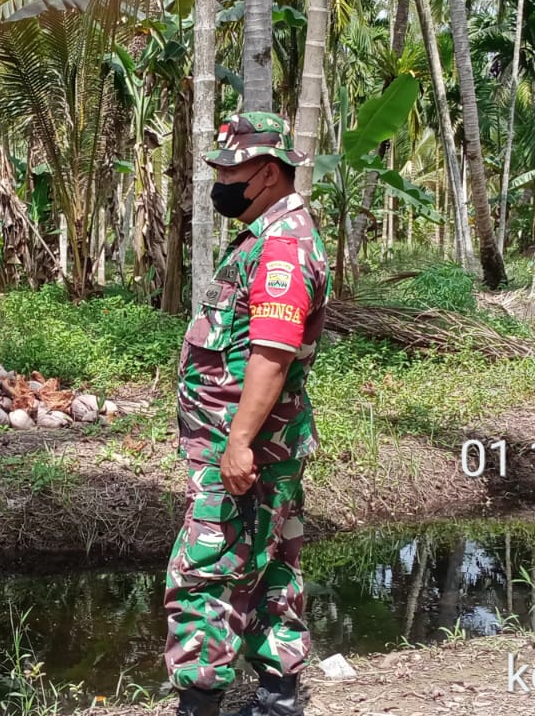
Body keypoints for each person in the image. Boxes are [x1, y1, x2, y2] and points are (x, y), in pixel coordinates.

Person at [165, 112, 331, 716]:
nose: (220, 180)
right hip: (260, 447)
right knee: (271, 563)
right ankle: (277, 697)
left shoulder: (282, 247)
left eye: (229, 169)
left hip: (249, 451)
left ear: (264, 173)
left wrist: (237, 444)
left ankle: (200, 702)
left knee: (204, 570)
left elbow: (272, 354)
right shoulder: (266, 236)